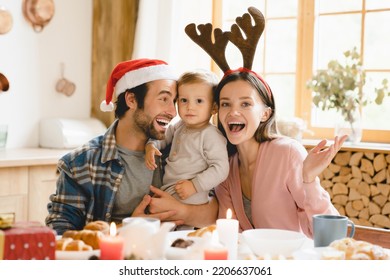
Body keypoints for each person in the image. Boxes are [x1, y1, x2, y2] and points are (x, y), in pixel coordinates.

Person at [45, 59, 218, 235]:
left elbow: (216, 212)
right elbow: (58, 235)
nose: (173, 112)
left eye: (174, 101)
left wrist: (183, 211)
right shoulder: (80, 164)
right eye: (164, 99)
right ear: (131, 99)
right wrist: (129, 228)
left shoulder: (180, 148)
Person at [214, 70, 347, 238]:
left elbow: (330, 236)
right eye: (226, 104)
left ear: (265, 114)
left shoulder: (287, 153)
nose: (233, 112)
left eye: (245, 104)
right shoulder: (224, 168)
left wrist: (309, 180)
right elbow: (230, 236)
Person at [144, 70, 229, 228]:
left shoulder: (210, 135)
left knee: (184, 232)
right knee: (164, 228)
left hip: (192, 195)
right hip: (171, 189)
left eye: (199, 101)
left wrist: (195, 185)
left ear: (214, 108)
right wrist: (151, 145)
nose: (190, 107)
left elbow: (221, 168)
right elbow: (162, 138)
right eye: (184, 100)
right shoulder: (179, 126)